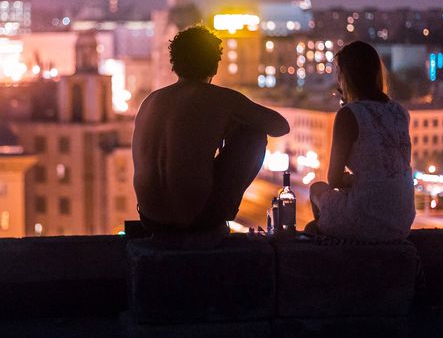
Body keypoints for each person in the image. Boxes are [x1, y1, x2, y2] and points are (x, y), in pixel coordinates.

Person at [132, 25, 289, 234]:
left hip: (150, 220)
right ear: (214, 67)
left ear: (174, 65)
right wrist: (232, 122)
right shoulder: (221, 98)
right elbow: (280, 127)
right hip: (195, 222)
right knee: (253, 134)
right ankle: (218, 223)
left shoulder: (150, 101)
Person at [309, 41, 415, 241]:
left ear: (345, 77)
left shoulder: (349, 114)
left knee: (316, 189)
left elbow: (334, 179)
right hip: (402, 219)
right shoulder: (400, 111)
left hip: (366, 216)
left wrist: (358, 180)